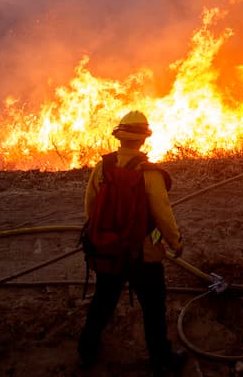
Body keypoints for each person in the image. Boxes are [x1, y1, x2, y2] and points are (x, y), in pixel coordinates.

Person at [78, 111, 187, 375]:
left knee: (103, 300)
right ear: (142, 141)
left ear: (120, 137)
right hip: (143, 255)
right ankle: (161, 360)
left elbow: (90, 208)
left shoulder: (101, 168)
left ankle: (86, 351)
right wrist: (175, 243)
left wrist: (104, 238)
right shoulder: (151, 173)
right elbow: (163, 215)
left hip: (109, 253)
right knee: (153, 308)